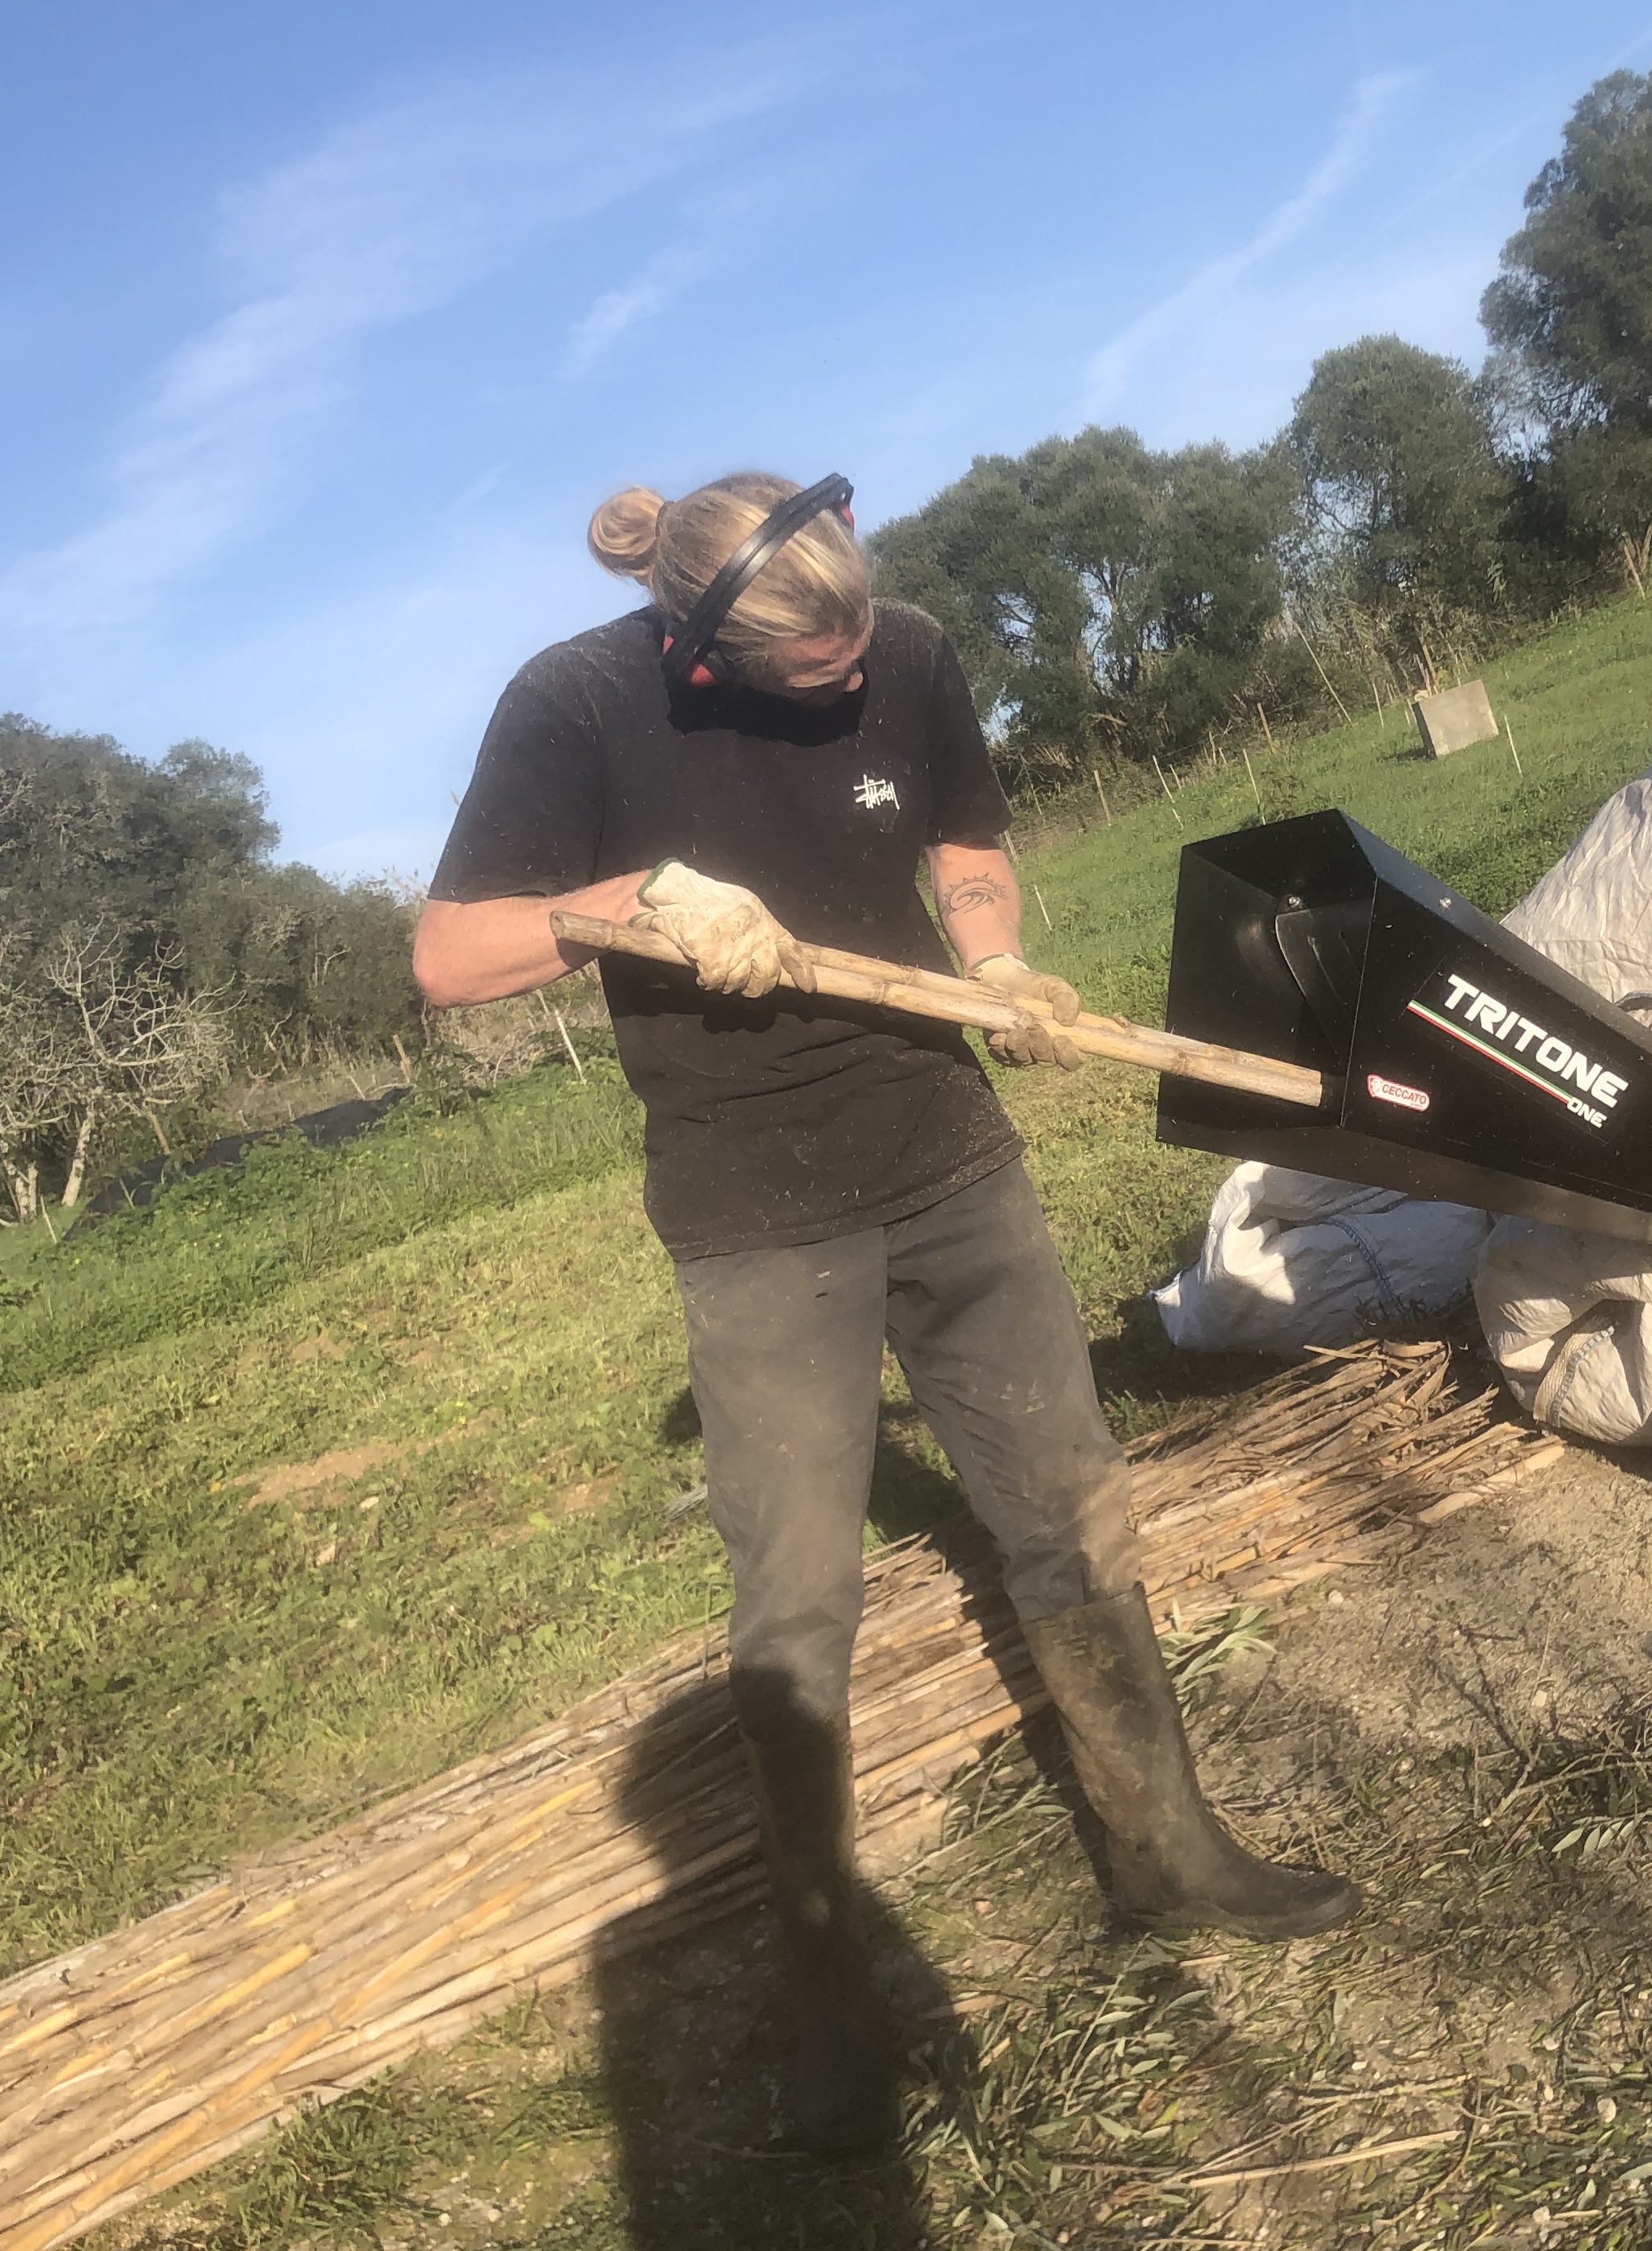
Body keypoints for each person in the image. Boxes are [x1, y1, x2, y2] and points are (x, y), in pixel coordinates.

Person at [414, 466, 1357, 2151]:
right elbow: (448, 958)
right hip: (751, 1211)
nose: (853, 671)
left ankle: (1170, 1855)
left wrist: (992, 962)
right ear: (705, 647)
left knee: (1069, 1506)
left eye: (858, 637)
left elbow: (964, 840)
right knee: (798, 1604)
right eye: (814, 662)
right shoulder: (576, 703)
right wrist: (630, 909)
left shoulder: (906, 647)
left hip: (948, 1156)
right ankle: (837, 2002)